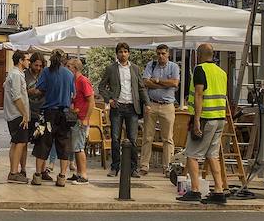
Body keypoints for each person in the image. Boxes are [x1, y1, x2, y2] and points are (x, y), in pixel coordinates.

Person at [178, 44, 228, 205]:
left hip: (205, 118)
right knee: (212, 155)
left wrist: (197, 121)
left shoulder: (200, 70)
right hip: (220, 118)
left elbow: (199, 95)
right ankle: (219, 191)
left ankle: (195, 190)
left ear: (198, 55)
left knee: (192, 154)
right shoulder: (222, 72)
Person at [98, 42, 148, 178]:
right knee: (115, 138)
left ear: (129, 53)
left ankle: (133, 168)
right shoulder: (111, 69)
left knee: (132, 139)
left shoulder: (136, 69)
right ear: (117, 54)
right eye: (120, 52)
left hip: (132, 107)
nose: (123, 54)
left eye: (125, 51)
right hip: (117, 107)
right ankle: (115, 167)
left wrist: (147, 103)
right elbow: (101, 87)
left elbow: (141, 87)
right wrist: (109, 100)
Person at [31, 49, 75, 187]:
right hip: (65, 114)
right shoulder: (69, 74)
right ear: (64, 60)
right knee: (63, 145)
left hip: (49, 113)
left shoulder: (46, 72)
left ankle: (38, 175)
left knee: (42, 143)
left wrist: (29, 91)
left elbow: (39, 90)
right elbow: (73, 95)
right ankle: (61, 177)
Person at [140, 44, 180, 176]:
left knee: (167, 138)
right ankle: (144, 165)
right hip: (152, 104)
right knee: (147, 136)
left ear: (168, 54)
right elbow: (145, 82)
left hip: (168, 105)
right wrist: (165, 83)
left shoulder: (174, 66)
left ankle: (167, 167)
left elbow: (174, 83)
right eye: (158, 53)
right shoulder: (151, 65)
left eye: (163, 53)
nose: (160, 56)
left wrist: (156, 80)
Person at [4, 50, 31, 183]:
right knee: (20, 142)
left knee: (16, 142)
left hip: (15, 114)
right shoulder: (15, 74)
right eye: (27, 59)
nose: (28, 62)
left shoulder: (16, 74)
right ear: (20, 60)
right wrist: (25, 114)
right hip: (17, 114)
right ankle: (14, 172)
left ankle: (13, 171)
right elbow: (16, 96)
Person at [66, 58, 93, 185]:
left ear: (75, 68)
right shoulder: (73, 81)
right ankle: (78, 173)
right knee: (75, 147)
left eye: (68, 66)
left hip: (81, 118)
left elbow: (91, 101)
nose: (66, 68)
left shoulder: (83, 81)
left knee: (79, 147)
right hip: (75, 117)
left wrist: (86, 118)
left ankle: (83, 175)